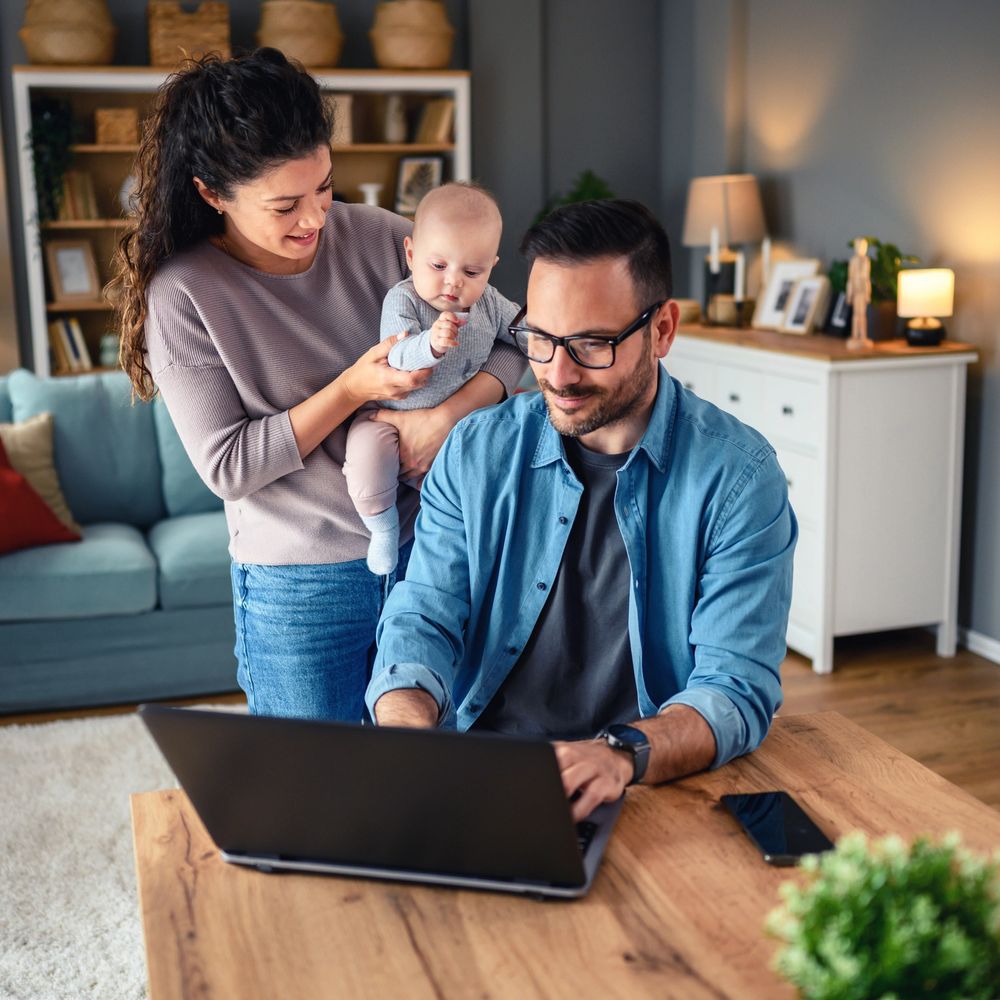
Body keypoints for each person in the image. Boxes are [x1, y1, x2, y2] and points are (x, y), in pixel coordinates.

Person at [112, 49, 524, 721]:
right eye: (285, 205)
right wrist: (353, 388)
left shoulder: (387, 237)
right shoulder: (184, 296)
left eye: (325, 187)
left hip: (434, 555)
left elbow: (511, 339)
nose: (316, 219)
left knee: (439, 785)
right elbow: (229, 465)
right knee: (313, 805)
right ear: (212, 193)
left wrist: (450, 413)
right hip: (300, 589)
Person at [366, 199, 796, 820]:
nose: (558, 374)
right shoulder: (477, 450)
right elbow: (426, 613)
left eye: (592, 343)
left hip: (649, 782)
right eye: (540, 339)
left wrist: (619, 753)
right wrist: (405, 720)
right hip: (485, 771)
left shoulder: (739, 478)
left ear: (663, 330)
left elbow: (735, 687)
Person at [343, 182, 520, 575]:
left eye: (471, 271)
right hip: (389, 419)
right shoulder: (403, 299)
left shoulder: (489, 301)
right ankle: (382, 527)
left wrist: (542, 332)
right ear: (411, 254)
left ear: (490, 266)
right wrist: (431, 345)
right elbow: (397, 354)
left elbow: (521, 332)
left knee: (483, 474)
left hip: (461, 429)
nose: (453, 282)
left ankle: (467, 536)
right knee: (365, 456)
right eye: (438, 266)